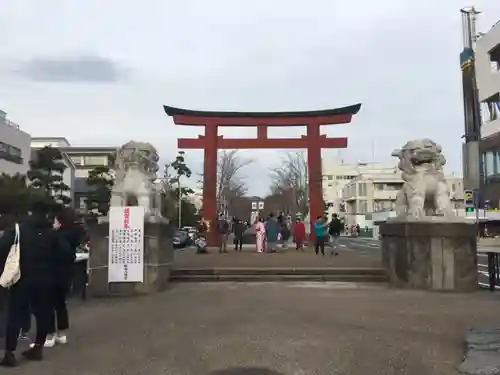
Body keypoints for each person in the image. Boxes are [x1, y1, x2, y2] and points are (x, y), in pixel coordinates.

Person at [0, 201, 58, 366]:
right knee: (43, 314)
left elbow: (2, 247)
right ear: (46, 213)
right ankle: (38, 347)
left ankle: (10, 354)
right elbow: (61, 253)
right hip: (45, 280)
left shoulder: (19, 229)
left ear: (31, 211)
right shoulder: (51, 233)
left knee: (15, 315)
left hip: (22, 279)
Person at [40, 208, 77, 348]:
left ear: (60, 223)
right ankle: (62, 334)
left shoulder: (56, 237)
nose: (53, 223)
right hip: (66, 276)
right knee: (61, 305)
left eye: (55, 221)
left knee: (49, 305)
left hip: (52, 276)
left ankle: (50, 335)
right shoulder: (72, 236)